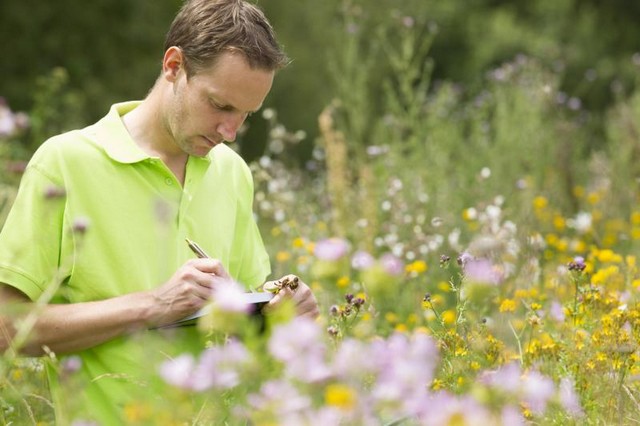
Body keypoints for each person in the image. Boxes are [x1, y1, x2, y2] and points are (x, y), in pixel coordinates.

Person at [0, 0, 319, 423]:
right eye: (221, 106)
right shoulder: (64, 163)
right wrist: (152, 305)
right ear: (174, 65)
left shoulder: (233, 172)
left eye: (246, 114)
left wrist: (279, 315)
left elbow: (237, 326)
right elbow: (8, 330)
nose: (231, 132)